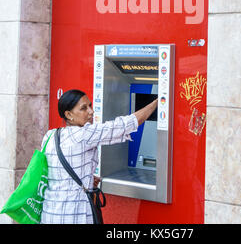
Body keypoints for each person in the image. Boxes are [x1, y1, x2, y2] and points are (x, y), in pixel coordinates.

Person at [40, 89, 158, 224]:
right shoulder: (84, 135)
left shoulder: (50, 136)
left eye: (90, 105)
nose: (91, 111)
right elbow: (124, 126)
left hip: (50, 213)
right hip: (73, 215)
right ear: (69, 114)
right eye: (83, 108)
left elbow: (55, 171)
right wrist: (157, 102)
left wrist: (86, 176)